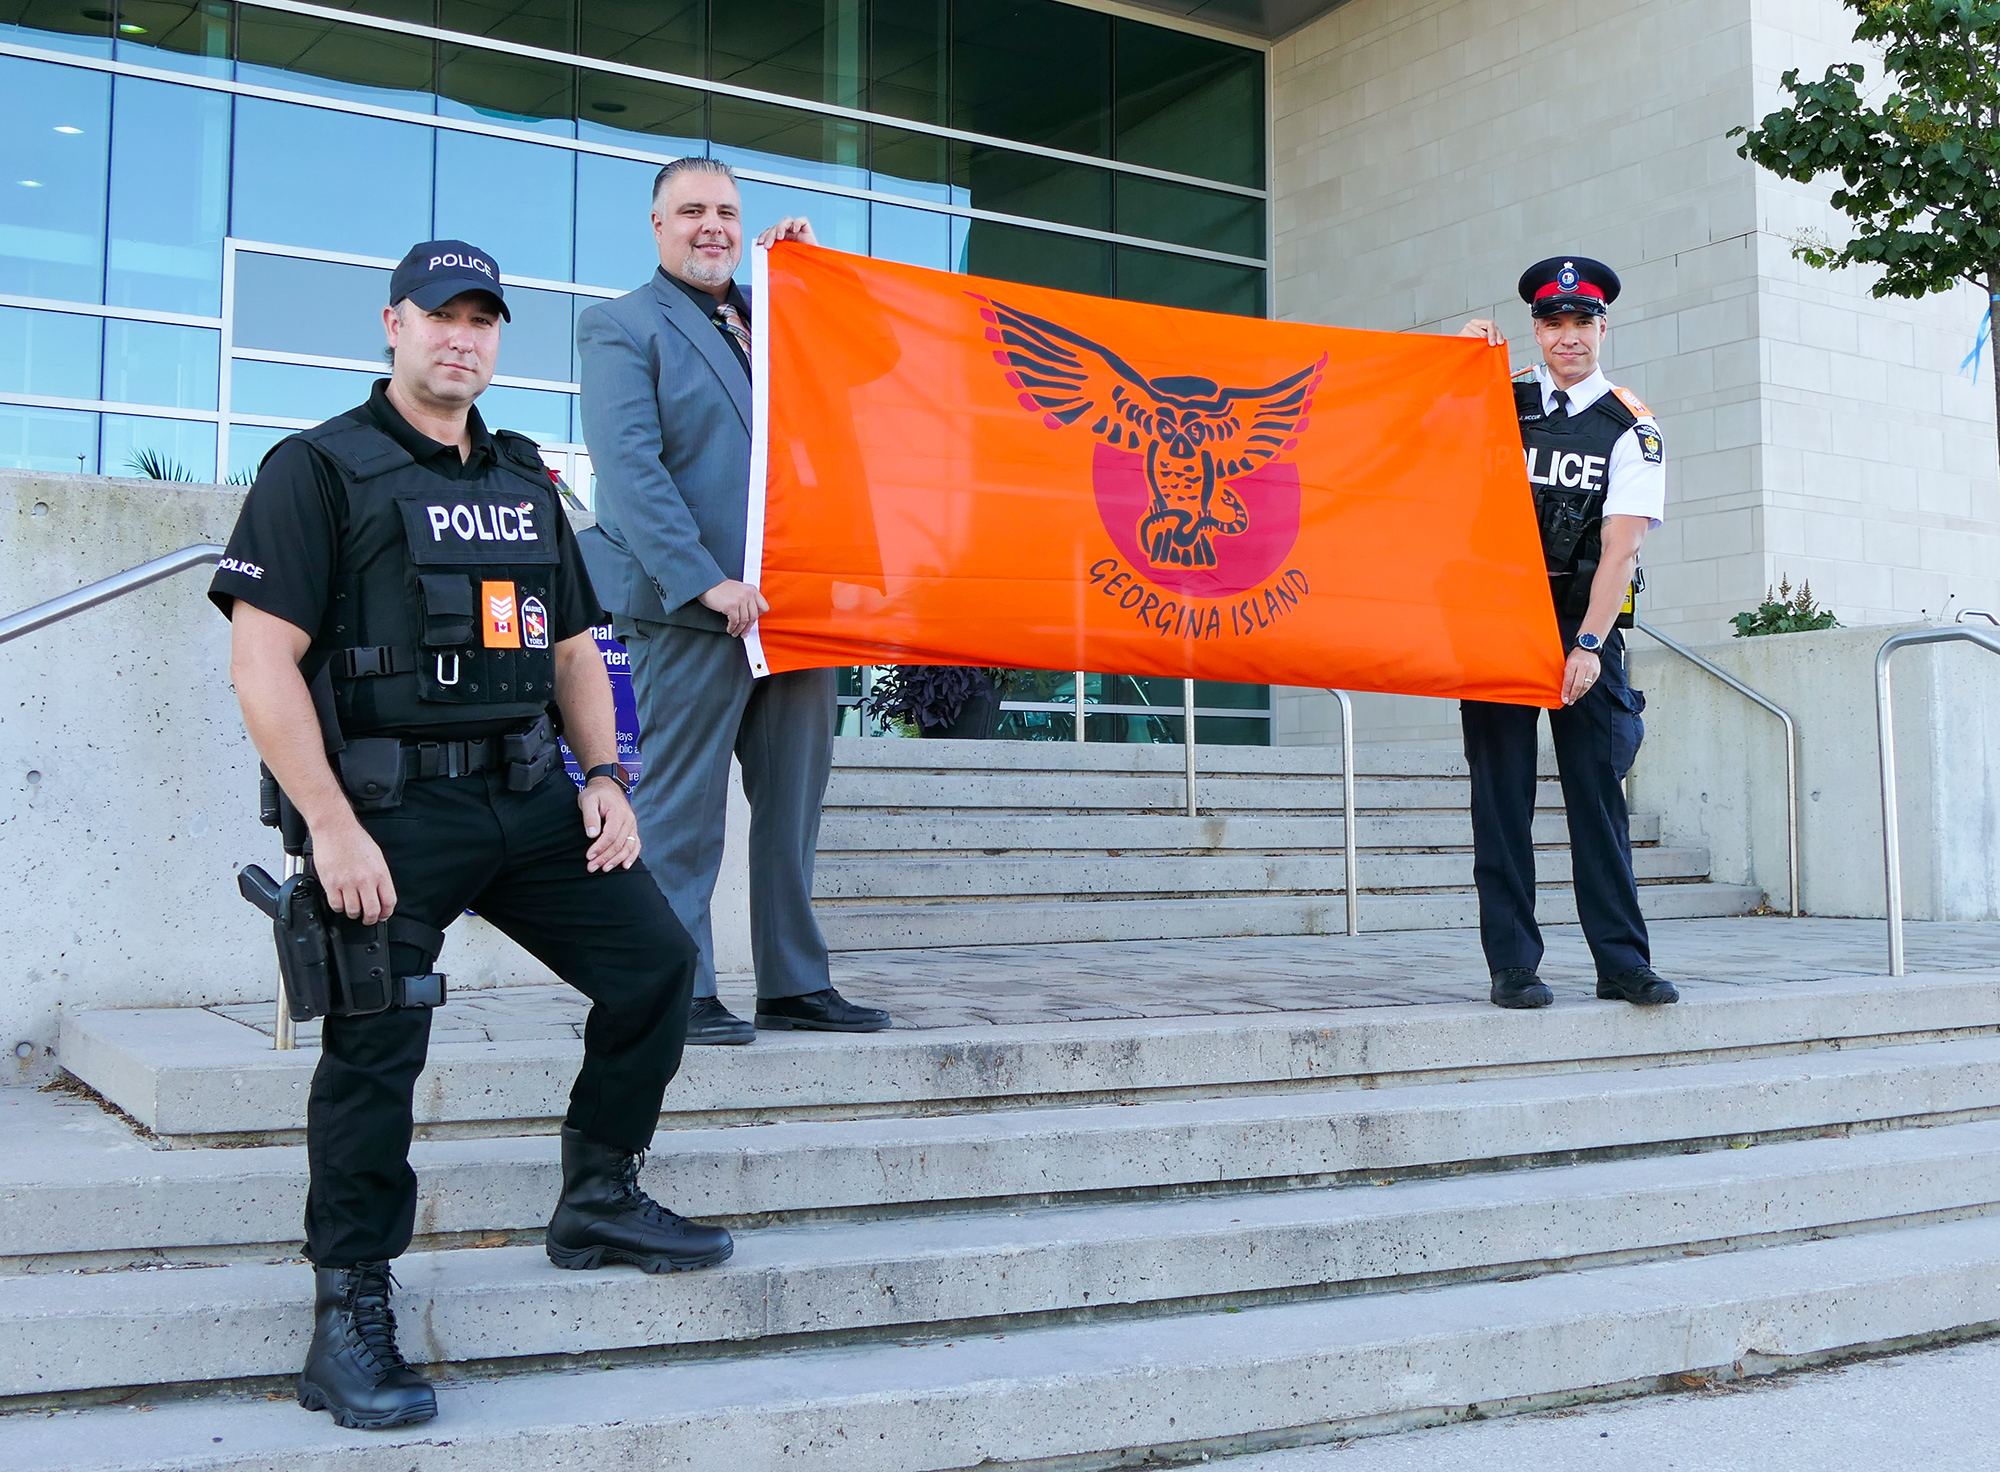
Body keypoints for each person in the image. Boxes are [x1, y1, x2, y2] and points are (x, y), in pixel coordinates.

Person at [211, 240, 732, 1432]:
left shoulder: (523, 478)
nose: (462, 337)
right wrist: (332, 827)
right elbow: (260, 661)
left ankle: (598, 1192)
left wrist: (603, 773)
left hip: (527, 794)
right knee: (377, 1042)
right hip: (391, 812)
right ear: (391, 327)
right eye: (439, 316)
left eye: (482, 319)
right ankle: (348, 1307)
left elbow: (572, 647)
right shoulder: (318, 469)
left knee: (654, 964)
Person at [576, 157, 889, 1045]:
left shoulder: (780, 316)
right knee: (678, 809)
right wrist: (703, 578)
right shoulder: (621, 327)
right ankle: (681, 986)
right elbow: (630, 470)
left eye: (726, 211)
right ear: (657, 225)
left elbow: (883, 358)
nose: (711, 225)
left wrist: (817, 276)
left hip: (794, 610)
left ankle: (792, 982)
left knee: (793, 806)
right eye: (691, 212)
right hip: (690, 610)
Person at [1457, 256, 1677, 1011]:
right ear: (1537, 329)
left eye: (1582, 321)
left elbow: (1622, 545)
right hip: (1496, 618)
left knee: (1596, 797)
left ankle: (1621, 963)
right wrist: (1457, 364)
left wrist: (1586, 645)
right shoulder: (1497, 399)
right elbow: (1414, 443)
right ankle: (1513, 966)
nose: (1569, 336)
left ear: (1603, 327)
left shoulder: (1628, 423)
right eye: (1554, 322)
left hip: (1581, 622)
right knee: (1502, 797)